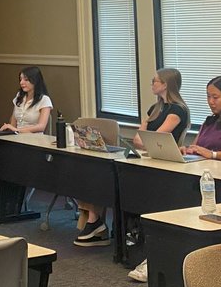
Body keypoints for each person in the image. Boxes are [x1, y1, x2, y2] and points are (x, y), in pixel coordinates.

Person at [75, 68, 190, 249]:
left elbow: (155, 139)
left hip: (165, 162)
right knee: (99, 172)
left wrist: (146, 139)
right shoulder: (154, 109)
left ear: (166, 84)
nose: (152, 84)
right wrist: (146, 140)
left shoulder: (178, 110)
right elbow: (138, 139)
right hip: (146, 157)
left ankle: (104, 225)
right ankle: (94, 220)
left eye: (155, 81)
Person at [0, 67, 53, 134]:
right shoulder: (19, 96)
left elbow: (41, 126)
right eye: (20, 79)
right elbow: (13, 122)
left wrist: (17, 130)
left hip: (34, 139)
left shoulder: (44, 100)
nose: (21, 82)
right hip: (16, 137)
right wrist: (9, 128)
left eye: (26, 80)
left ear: (35, 81)